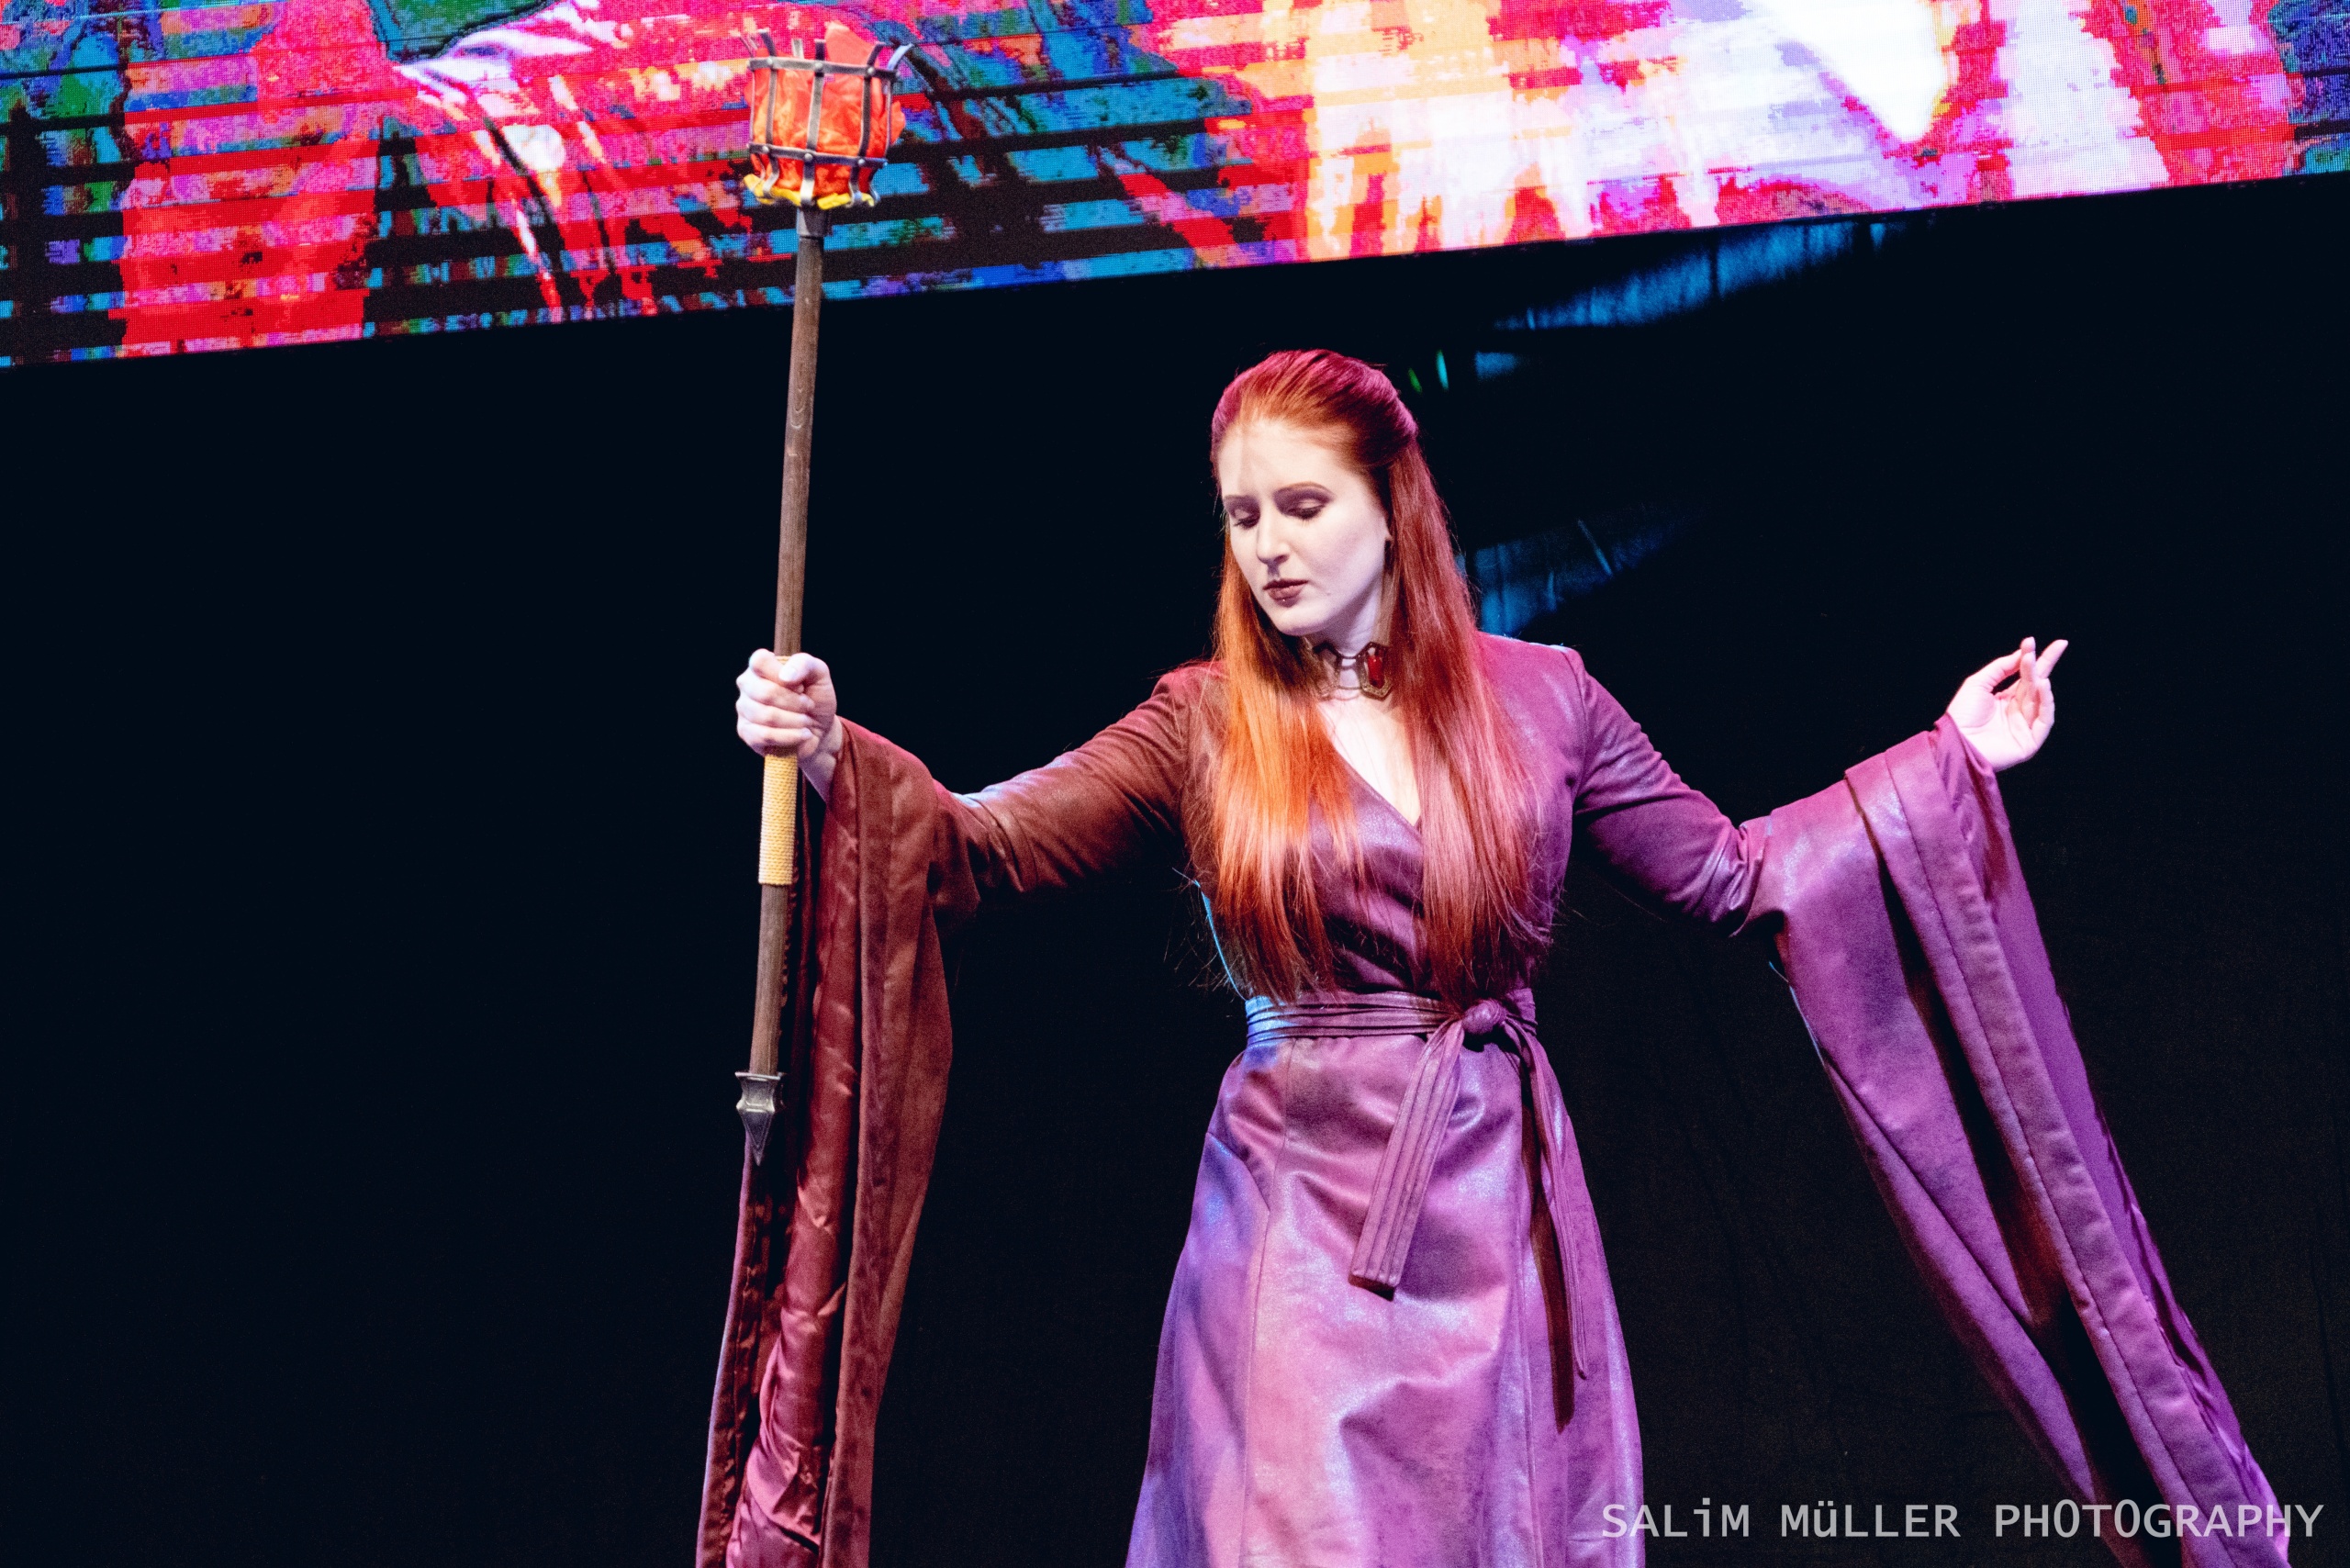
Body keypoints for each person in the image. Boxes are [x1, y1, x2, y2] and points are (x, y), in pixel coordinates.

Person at [704, 350, 2282, 1568]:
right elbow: (977, 847)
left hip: (1500, 1213)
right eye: (1242, 515)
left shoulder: (1547, 699)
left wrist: (1950, 762)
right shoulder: (1205, 719)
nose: (1269, 547)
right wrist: (834, 749)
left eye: (1303, 506)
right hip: (1293, 1228)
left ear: (1393, 502)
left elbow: (1736, 878)